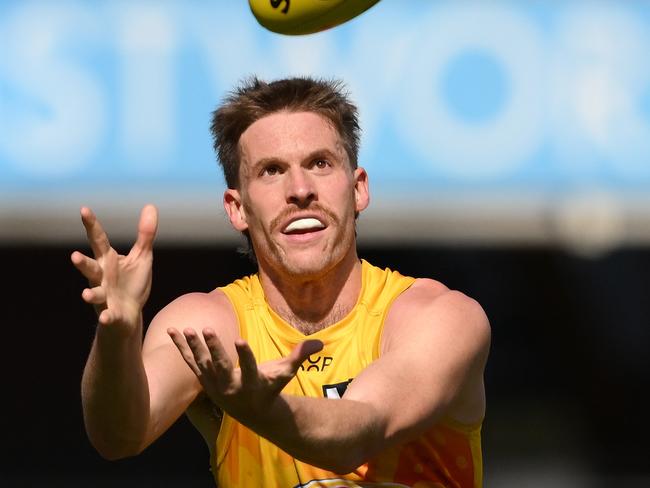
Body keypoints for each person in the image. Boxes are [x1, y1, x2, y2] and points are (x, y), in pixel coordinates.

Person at [72, 77, 491, 487]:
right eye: (272, 171)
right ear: (237, 209)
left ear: (359, 189)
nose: (300, 190)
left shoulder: (440, 317)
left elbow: (360, 431)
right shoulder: (209, 325)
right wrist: (118, 334)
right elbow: (119, 438)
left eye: (320, 163)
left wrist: (263, 411)